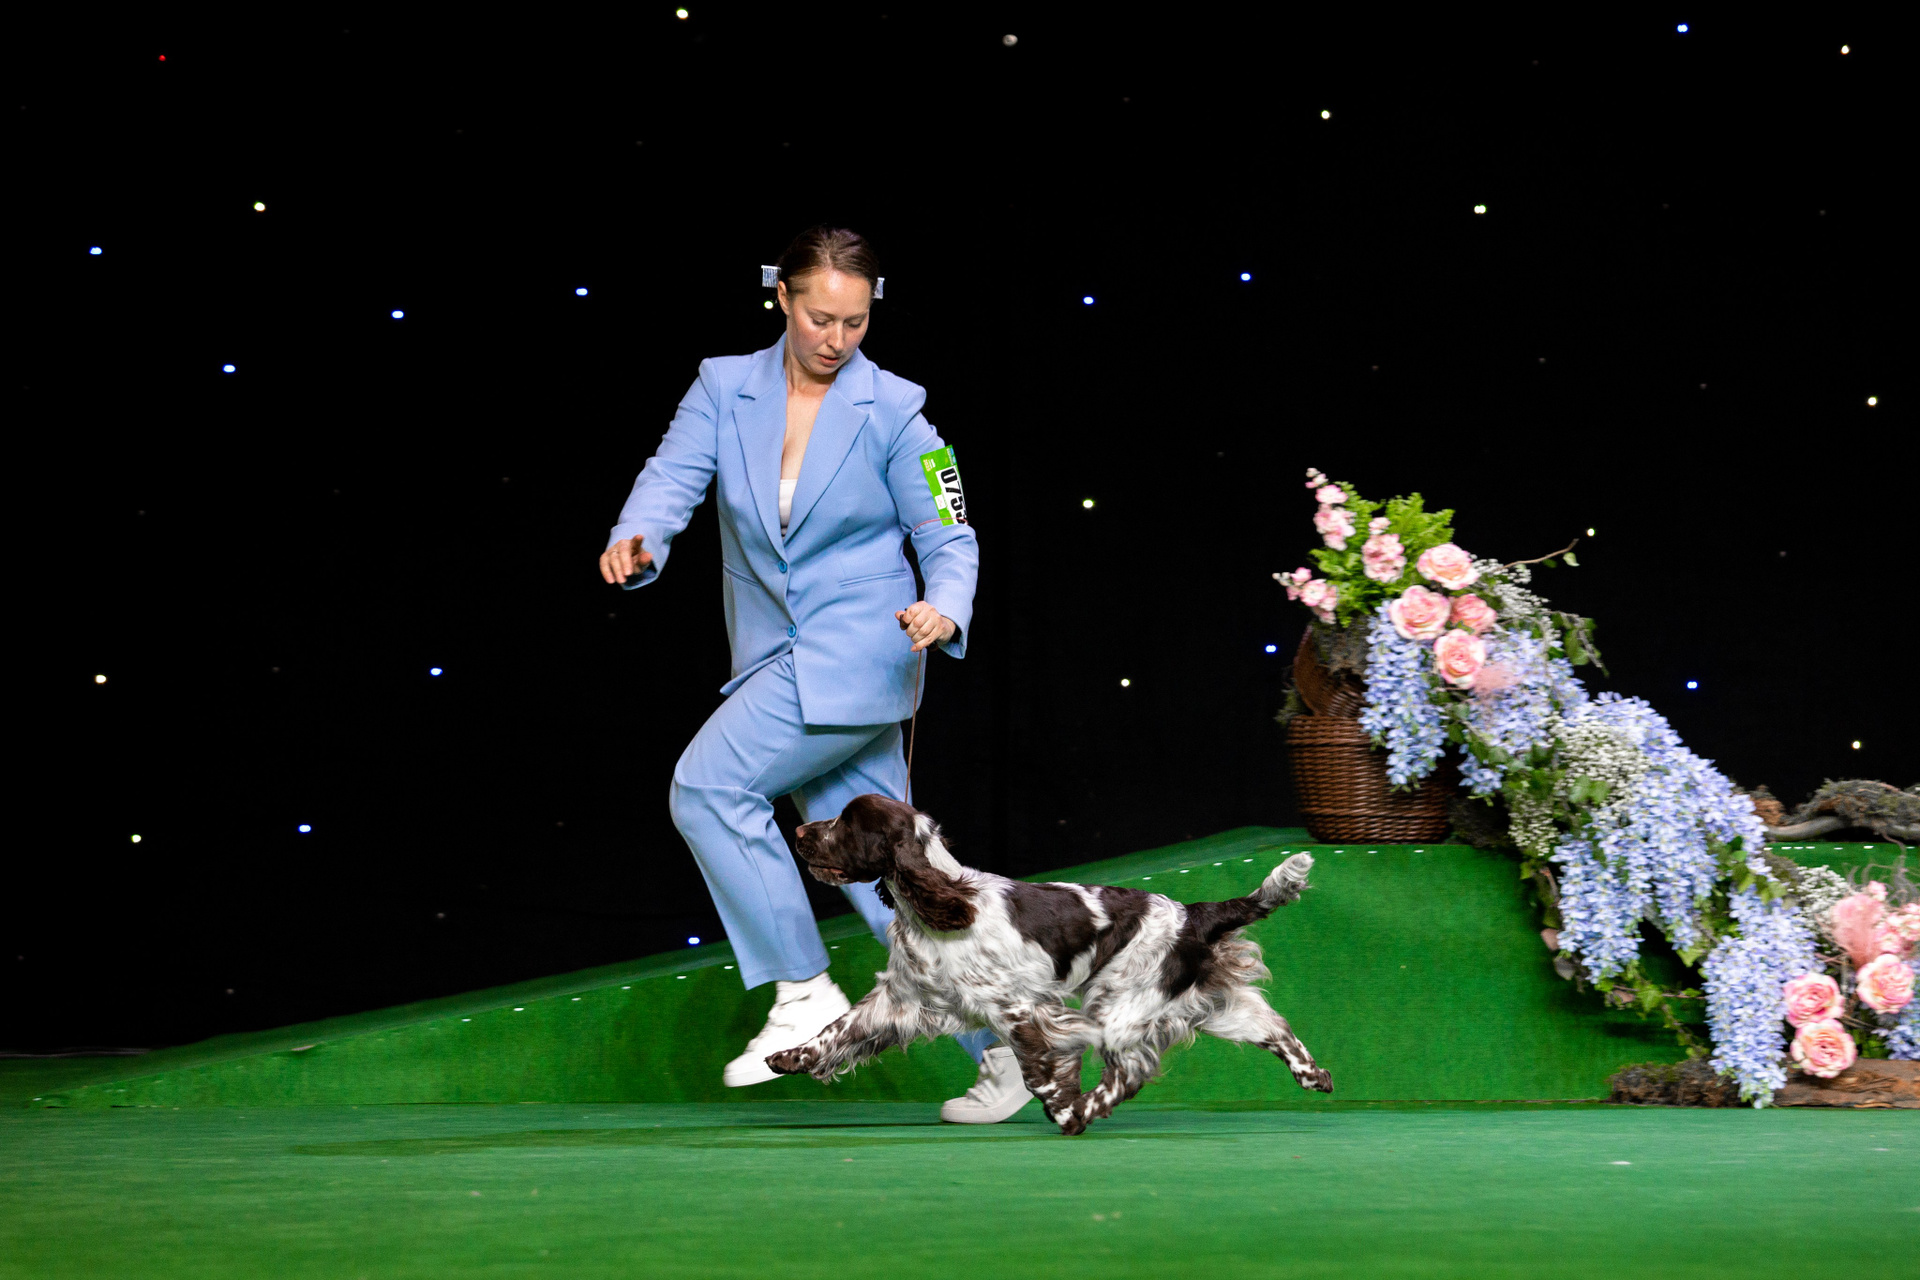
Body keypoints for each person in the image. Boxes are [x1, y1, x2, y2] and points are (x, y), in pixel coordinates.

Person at [598, 226, 1028, 1123]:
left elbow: (950, 531)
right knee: (897, 885)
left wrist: (945, 606)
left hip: (862, 652)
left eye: (856, 322)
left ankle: (802, 989)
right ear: (782, 299)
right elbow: (671, 476)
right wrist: (638, 538)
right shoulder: (724, 386)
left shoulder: (898, 409)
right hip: (777, 655)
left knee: (707, 788)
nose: (837, 339)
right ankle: (1014, 1047)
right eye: (820, 318)